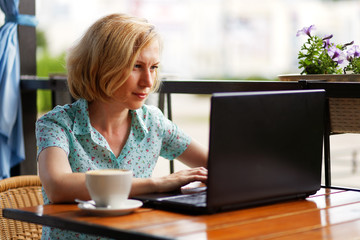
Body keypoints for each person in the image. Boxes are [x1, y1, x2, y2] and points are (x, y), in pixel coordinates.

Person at [36, 13, 208, 239]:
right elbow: (58, 186)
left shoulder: (153, 122)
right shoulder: (56, 124)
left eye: (154, 67)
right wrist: (157, 184)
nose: (148, 81)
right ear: (102, 67)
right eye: (136, 66)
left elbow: (219, 166)